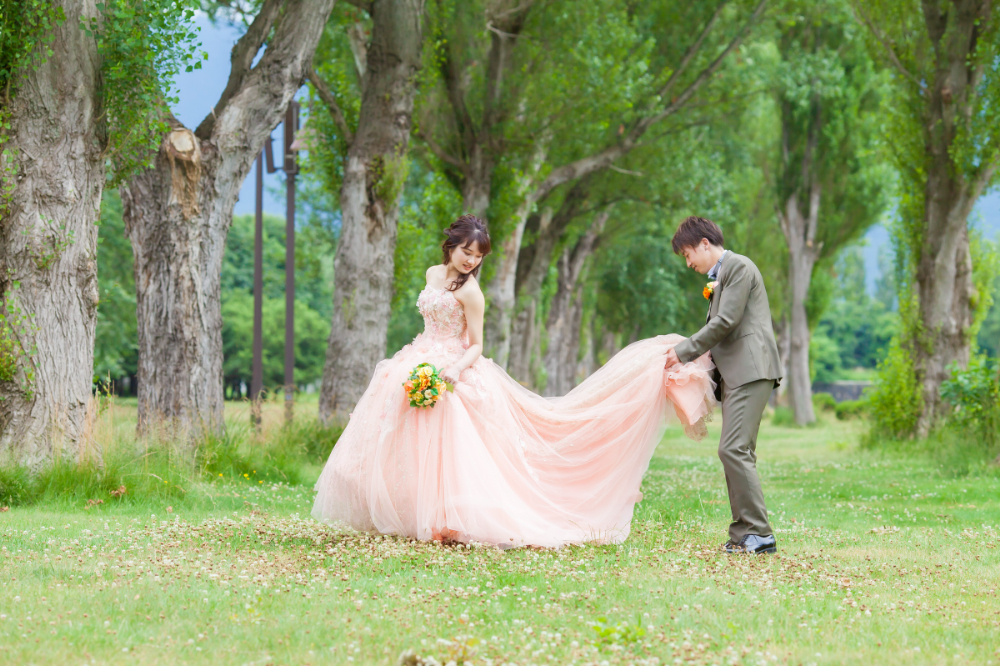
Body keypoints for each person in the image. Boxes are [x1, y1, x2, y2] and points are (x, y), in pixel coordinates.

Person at [312, 214, 718, 548]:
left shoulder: (471, 292)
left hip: (456, 364)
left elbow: (476, 343)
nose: (471, 260)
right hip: (418, 356)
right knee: (406, 434)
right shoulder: (432, 273)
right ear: (450, 247)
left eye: (477, 256)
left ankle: (451, 519)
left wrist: (453, 368)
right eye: (465, 252)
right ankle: (410, 511)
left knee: (452, 441)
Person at [663, 216, 782, 555]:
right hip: (736, 374)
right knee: (737, 451)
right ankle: (745, 533)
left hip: (751, 370)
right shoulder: (722, 276)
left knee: (733, 449)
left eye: (688, 255)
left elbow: (726, 321)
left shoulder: (739, 267)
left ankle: (759, 534)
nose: (689, 264)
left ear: (704, 243)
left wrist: (683, 351)